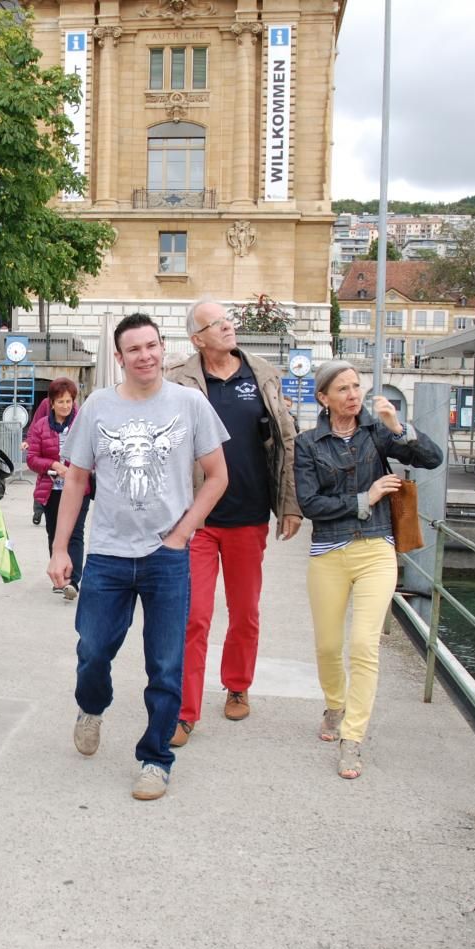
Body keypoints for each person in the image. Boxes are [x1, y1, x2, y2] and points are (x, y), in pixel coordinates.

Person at [48, 313, 229, 801]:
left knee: (166, 665)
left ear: (163, 347)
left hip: (166, 558)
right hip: (107, 554)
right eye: (134, 349)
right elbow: (77, 480)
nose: (145, 356)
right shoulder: (99, 408)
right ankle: (91, 707)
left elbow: (217, 476)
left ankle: (154, 758)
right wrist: (62, 548)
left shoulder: (190, 404)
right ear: (120, 357)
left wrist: (182, 533)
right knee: (92, 652)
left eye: (152, 346)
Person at [294, 359, 442, 780]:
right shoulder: (308, 444)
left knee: (363, 645)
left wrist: (398, 426)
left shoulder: (377, 435)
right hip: (329, 551)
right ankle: (335, 705)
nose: (353, 395)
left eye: (356, 386)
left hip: (377, 548)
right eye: (342, 389)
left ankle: (352, 739)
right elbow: (310, 504)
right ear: (323, 398)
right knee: (327, 646)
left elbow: (432, 459)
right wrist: (368, 495)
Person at [164, 298, 302, 747]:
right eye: (216, 323)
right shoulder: (179, 381)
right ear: (197, 338)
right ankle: (185, 711)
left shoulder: (260, 373)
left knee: (244, 612)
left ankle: (237, 684)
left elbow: (286, 441)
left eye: (228, 320)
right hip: (197, 519)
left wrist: (290, 504)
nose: (227, 327)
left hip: (248, 514)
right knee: (194, 616)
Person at [25, 377, 89, 601]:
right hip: (52, 489)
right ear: (51, 403)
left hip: (79, 489)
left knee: (76, 534)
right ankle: (59, 576)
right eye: (60, 401)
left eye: (69, 401)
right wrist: (53, 465)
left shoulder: (83, 424)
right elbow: (32, 459)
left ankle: (73, 581)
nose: (65, 406)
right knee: (54, 532)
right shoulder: (41, 427)